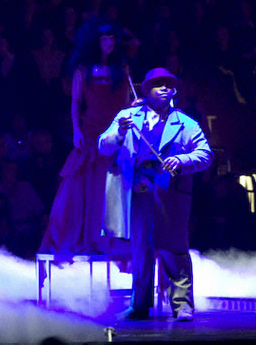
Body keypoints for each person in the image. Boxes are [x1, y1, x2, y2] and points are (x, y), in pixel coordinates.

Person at [98, 67, 213, 322]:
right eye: (157, 84)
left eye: (168, 85)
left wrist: (182, 160)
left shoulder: (185, 122)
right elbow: (103, 145)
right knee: (141, 250)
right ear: (146, 90)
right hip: (138, 193)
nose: (164, 88)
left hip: (170, 194)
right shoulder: (127, 116)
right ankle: (139, 304)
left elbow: (205, 154)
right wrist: (119, 133)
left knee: (174, 250)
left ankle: (182, 304)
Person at [39, 20, 132, 255]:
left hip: (114, 132)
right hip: (90, 130)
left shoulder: (122, 69)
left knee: (110, 185)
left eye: (112, 38)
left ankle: (111, 240)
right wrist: (76, 131)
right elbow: (75, 103)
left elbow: (126, 103)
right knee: (82, 184)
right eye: (104, 38)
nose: (108, 42)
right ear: (96, 41)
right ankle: (82, 238)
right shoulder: (83, 70)